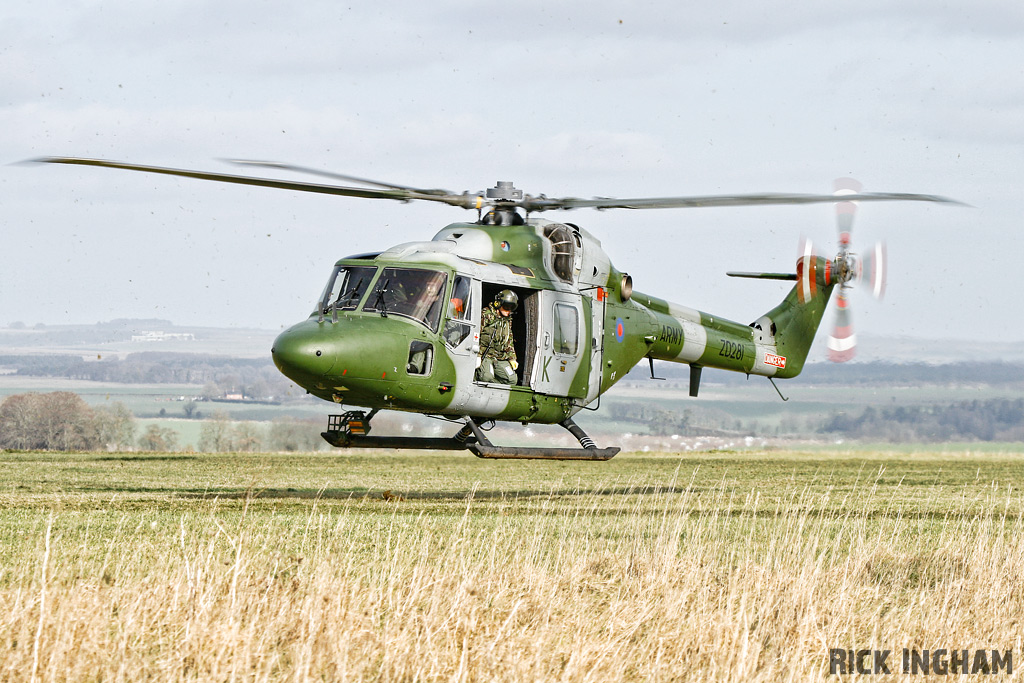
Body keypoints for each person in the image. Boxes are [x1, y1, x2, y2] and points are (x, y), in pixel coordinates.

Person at [476, 289, 519, 385]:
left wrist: (512, 358)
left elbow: (509, 340)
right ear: (498, 304)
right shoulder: (486, 315)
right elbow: (476, 334)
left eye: (512, 308)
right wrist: (477, 355)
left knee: (511, 380)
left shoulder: (507, 320)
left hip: (500, 357)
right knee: (486, 377)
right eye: (507, 307)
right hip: (485, 355)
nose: (509, 311)